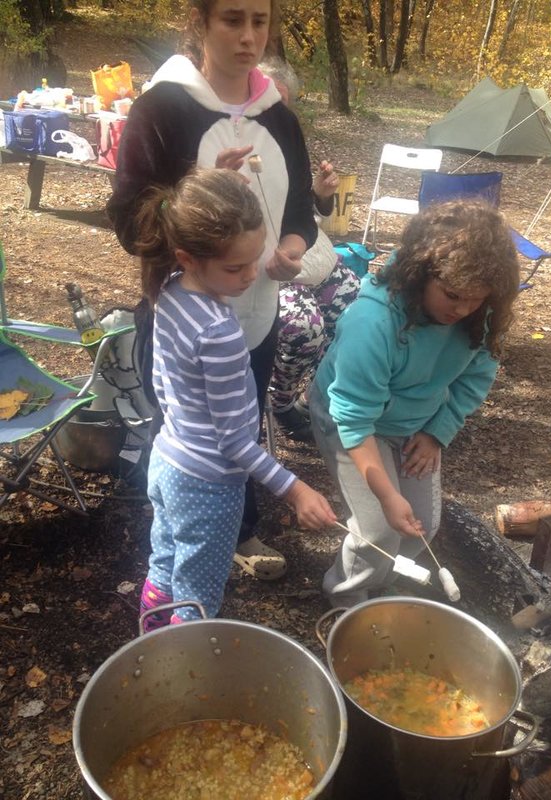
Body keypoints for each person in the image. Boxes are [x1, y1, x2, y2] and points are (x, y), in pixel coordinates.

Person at [107, 0, 317, 582]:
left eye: (260, 21)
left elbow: (302, 209)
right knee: (182, 425)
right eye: (232, 19)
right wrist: (196, 190)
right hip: (182, 315)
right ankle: (177, 525)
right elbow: (129, 221)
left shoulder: (279, 117)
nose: (249, 36)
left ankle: (236, 526)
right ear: (201, 23)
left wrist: (292, 248)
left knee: (241, 423)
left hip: (256, 312)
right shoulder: (164, 108)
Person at [136, 167, 336, 629]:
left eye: (255, 258)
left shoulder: (167, 289)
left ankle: (147, 641)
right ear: (188, 257)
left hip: (167, 460)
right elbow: (235, 443)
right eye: (235, 267)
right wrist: (296, 489)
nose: (252, 274)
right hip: (208, 484)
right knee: (199, 597)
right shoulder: (219, 332)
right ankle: (184, 676)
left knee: (165, 563)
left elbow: (164, 385)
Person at [310, 200, 521, 607]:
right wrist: (388, 496)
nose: (461, 309)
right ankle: (347, 597)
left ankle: (382, 576)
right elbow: (354, 419)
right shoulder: (373, 323)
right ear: (420, 275)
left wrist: (436, 432)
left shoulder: (481, 313)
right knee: (377, 528)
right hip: (350, 420)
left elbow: (477, 377)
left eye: (474, 300)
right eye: (452, 295)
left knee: (423, 523)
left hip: (414, 422)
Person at [257, 57, 361, 441]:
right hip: (278, 272)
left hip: (319, 261)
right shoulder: (238, 140)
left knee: (363, 315)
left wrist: (320, 195)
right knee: (305, 328)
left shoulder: (288, 138)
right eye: (263, 95)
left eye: (280, 101)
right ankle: (280, 402)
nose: (271, 109)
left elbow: (302, 209)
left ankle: (323, 396)